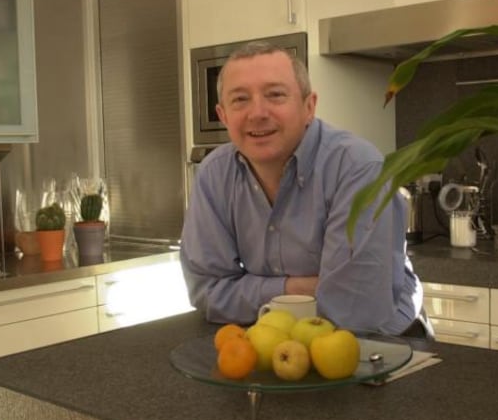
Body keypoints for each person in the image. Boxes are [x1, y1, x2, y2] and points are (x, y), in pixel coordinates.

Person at [180, 40, 430, 338]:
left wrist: (249, 291)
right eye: (240, 99)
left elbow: (353, 308)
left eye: (275, 95)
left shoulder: (357, 169)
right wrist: (299, 289)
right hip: (273, 342)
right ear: (223, 116)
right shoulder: (213, 175)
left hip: (382, 346)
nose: (257, 112)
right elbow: (206, 291)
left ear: (308, 106)